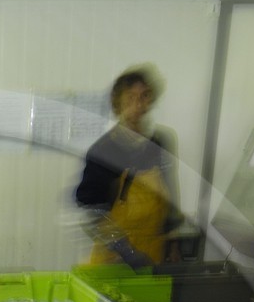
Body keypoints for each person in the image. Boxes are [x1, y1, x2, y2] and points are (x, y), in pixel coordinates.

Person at [75, 64, 182, 268]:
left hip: (153, 250)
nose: (138, 105)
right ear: (118, 103)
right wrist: (125, 251)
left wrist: (173, 243)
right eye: (130, 97)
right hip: (112, 256)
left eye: (144, 96)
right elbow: (92, 211)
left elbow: (170, 196)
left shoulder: (160, 143)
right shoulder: (103, 150)